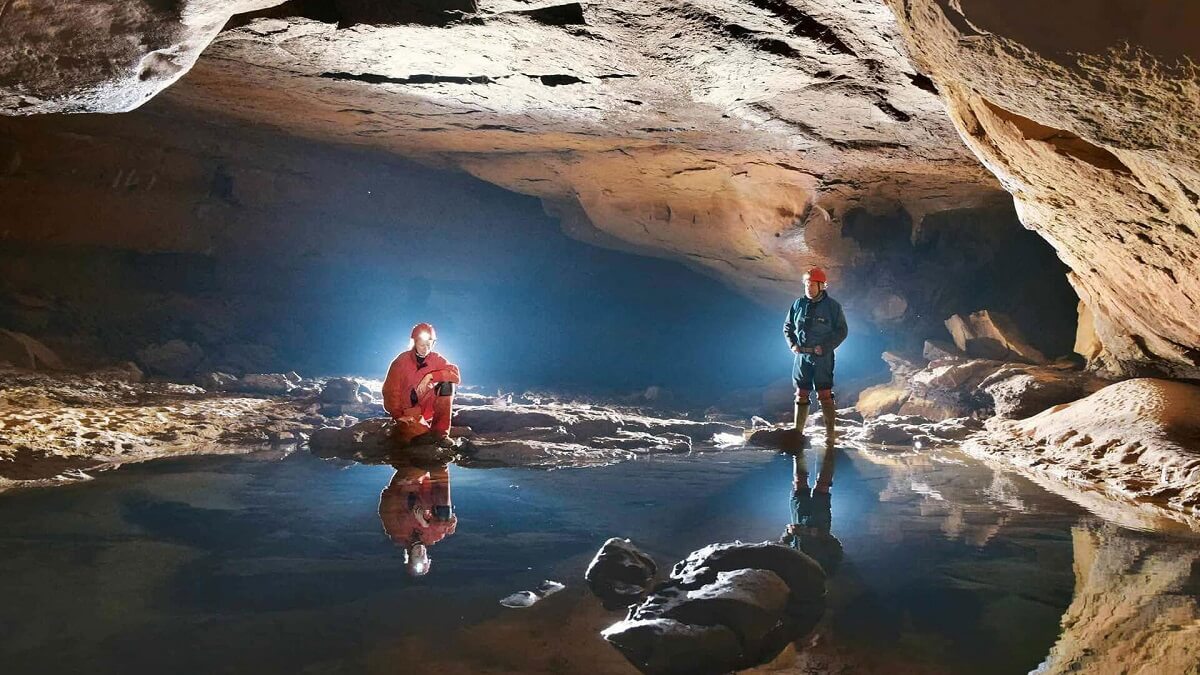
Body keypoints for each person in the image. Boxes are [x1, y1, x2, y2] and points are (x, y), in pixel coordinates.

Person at [783, 267, 848, 466]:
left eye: (812, 284)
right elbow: (788, 327)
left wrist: (825, 347)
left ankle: (830, 436)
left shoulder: (832, 307)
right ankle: (798, 433)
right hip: (802, 355)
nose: (809, 288)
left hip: (822, 357)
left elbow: (842, 331)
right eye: (807, 284)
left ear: (822, 286)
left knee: (824, 393)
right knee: (801, 392)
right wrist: (792, 344)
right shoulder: (798, 304)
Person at [382, 322, 460, 447]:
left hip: (426, 405)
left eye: (429, 345)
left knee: (447, 385)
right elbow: (391, 391)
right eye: (422, 345)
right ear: (414, 343)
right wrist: (398, 416)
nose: (425, 349)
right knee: (419, 437)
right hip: (407, 411)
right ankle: (419, 431)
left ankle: (441, 434)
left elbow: (455, 375)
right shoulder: (401, 361)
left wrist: (430, 376)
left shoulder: (436, 359)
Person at [379, 462, 457, 577]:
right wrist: (426, 523)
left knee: (419, 463)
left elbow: (386, 505)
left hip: (407, 485)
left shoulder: (397, 532)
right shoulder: (434, 536)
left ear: (410, 555)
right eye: (423, 556)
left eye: (416, 556)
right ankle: (439, 467)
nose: (421, 552)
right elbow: (451, 523)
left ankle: (419, 463)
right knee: (444, 515)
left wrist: (403, 487)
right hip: (429, 485)